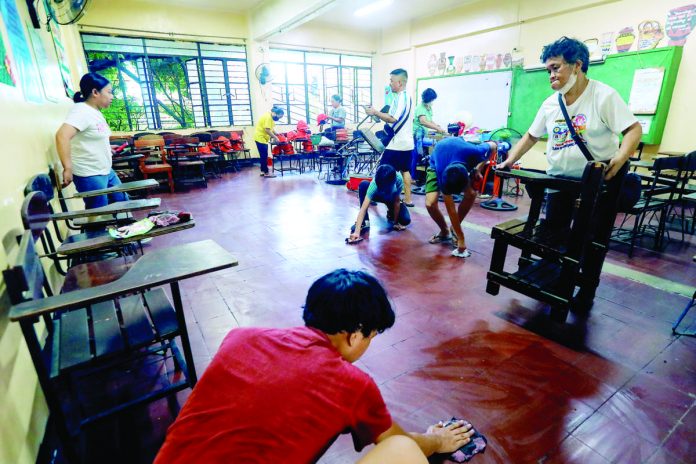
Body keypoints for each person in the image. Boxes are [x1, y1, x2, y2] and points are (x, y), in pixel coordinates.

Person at [154, 269, 474, 463]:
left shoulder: (239, 337)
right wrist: (437, 440)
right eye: (372, 336)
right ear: (353, 336)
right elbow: (396, 440)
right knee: (403, 451)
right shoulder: (352, 384)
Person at [496, 36, 642, 310]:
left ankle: (584, 292)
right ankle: (551, 286)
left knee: (588, 242)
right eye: (548, 69)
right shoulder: (551, 103)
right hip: (559, 182)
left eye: (556, 67)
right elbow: (530, 135)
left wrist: (620, 158)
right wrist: (509, 161)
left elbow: (633, 129)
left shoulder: (603, 96)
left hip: (595, 186)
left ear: (577, 66)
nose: (551, 74)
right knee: (553, 235)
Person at [55, 72, 128, 209]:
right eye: (109, 92)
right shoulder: (81, 111)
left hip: (104, 170)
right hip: (90, 174)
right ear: (95, 92)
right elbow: (62, 136)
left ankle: (121, 230)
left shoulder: (95, 111)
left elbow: (91, 136)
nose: (112, 96)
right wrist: (68, 168)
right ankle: (96, 230)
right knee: (99, 215)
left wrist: (106, 147)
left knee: (123, 202)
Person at [426, 138, 504, 258]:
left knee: (471, 194)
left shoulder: (475, 151)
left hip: (460, 159)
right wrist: (461, 238)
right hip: (437, 161)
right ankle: (445, 231)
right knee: (430, 204)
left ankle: (454, 229)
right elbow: (451, 209)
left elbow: (494, 146)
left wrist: (479, 168)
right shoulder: (442, 173)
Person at [366, 69, 415, 207]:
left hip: (397, 143)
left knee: (382, 170)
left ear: (399, 82)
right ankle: (408, 199)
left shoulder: (401, 98)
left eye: (392, 81)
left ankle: (374, 196)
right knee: (405, 170)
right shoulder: (407, 97)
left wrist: (375, 111)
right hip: (407, 143)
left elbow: (392, 119)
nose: (390, 84)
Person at [349, 165, 412, 243]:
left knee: (405, 220)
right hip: (378, 196)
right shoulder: (374, 185)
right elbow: (363, 209)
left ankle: (391, 214)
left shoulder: (398, 179)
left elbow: (396, 202)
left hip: (391, 198)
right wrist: (356, 232)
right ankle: (364, 222)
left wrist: (395, 223)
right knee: (364, 184)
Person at [412, 88, 446, 179]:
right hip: (418, 134)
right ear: (428, 99)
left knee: (424, 153)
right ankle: (413, 177)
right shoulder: (420, 108)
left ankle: (420, 176)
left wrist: (439, 128)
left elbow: (430, 121)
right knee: (417, 155)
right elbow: (423, 121)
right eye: (432, 100)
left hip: (423, 134)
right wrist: (436, 128)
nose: (432, 102)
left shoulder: (428, 107)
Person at [253, 106, 284, 178]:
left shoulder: (270, 116)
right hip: (260, 138)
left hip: (262, 138)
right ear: (275, 113)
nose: (278, 119)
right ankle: (266, 172)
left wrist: (277, 134)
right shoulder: (268, 117)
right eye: (278, 117)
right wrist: (275, 137)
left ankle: (263, 171)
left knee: (263, 155)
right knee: (264, 156)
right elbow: (267, 130)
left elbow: (271, 128)